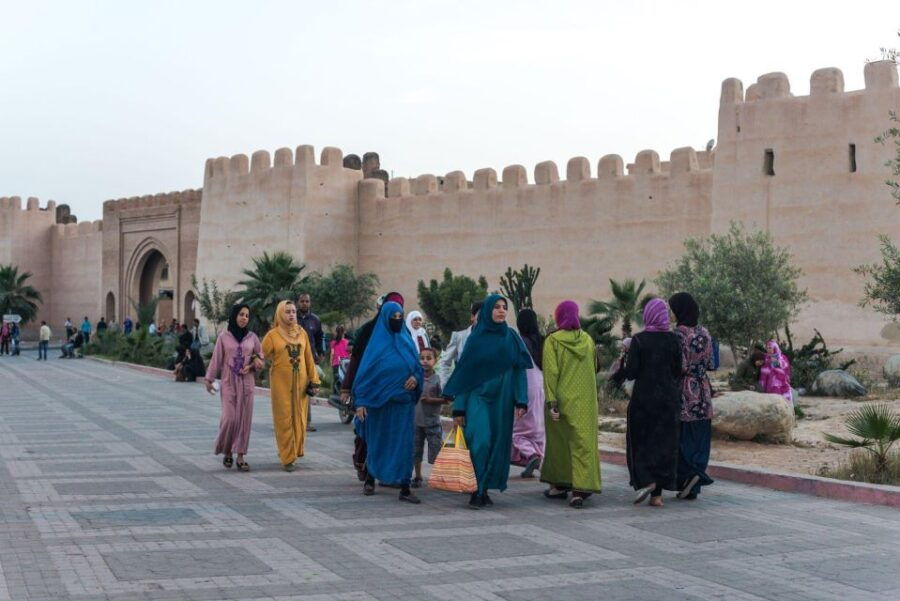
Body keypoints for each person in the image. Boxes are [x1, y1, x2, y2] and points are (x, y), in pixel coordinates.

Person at [445, 294, 532, 509]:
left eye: (504, 307)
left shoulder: (512, 338)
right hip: (478, 398)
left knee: (497, 444)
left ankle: (483, 488)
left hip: (503, 399)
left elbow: (519, 369)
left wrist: (521, 400)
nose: (502, 310)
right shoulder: (476, 339)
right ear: (487, 311)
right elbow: (465, 374)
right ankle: (476, 489)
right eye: (497, 307)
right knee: (481, 442)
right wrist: (459, 409)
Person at [352, 301, 423, 503]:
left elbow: (417, 367)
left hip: (403, 404)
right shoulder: (376, 345)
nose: (397, 321)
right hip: (379, 405)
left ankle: (405, 487)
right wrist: (361, 402)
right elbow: (364, 375)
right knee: (377, 442)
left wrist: (415, 378)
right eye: (393, 317)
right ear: (384, 318)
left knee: (404, 446)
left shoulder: (407, 342)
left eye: (400, 317)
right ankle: (370, 478)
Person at [540, 301, 602, 508]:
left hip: (562, 400)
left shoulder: (553, 341)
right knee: (583, 443)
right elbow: (595, 367)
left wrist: (552, 402)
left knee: (560, 444)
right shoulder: (587, 340)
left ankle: (559, 485)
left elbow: (551, 373)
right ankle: (580, 490)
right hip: (586, 402)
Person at [623, 298, 682, 507]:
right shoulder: (674, 340)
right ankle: (657, 496)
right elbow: (677, 370)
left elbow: (631, 373)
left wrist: (627, 355)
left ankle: (646, 480)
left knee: (641, 441)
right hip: (669, 400)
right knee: (664, 444)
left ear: (648, 315)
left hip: (644, 399)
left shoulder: (639, 340)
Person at [341, 291, 405, 481]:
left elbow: (410, 361)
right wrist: (347, 387)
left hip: (395, 392)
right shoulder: (368, 330)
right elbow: (356, 359)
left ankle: (386, 471)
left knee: (390, 433)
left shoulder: (403, 332)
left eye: (399, 311)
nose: (396, 317)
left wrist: (414, 379)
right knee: (366, 430)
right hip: (369, 388)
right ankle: (363, 465)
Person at [262, 300, 320, 471]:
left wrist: (314, 380)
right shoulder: (272, 335)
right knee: (284, 419)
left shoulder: (302, 333)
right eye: (287, 312)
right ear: (280, 314)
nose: (291, 315)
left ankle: (294, 450)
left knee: (300, 418)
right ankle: (287, 457)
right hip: (281, 385)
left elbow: (308, 358)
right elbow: (260, 355)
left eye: (293, 311)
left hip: (301, 385)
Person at [669, 292, 715, 501]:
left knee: (683, 437)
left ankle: (690, 475)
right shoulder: (705, 332)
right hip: (703, 389)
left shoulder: (679, 334)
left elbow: (679, 366)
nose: (670, 313)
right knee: (700, 436)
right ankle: (693, 486)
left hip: (685, 390)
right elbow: (711, 363)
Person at [206, 304, 263, 472]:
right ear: (234, 316)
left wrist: (252, 365)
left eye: (247, 315)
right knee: (230, 418)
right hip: (228, 382)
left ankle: (240, 456)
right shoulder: (224, 337)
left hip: (247, 383)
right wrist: (209, 379)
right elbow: (216, 359)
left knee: (244, 420)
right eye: (241, 314)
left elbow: (261, 358)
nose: (244, 318)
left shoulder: (252, 337)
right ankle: (227, 450)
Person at [511, 308, 545, 478]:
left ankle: (531, 455)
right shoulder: (542, 341)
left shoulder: (518, 342)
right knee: (537, 430)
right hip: (541, 388)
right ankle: (540, 461)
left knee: (517, 431)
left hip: (524, 389)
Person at [412, 347, 447, 488]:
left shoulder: (438, 380)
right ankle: (417, 476)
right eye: (422, 358)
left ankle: (439, 476)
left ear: (435, 360)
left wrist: (430, 400)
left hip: (432, 422)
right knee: (415, 450)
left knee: (436, 449)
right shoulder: (415, 378)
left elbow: (446, 399)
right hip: (416, 421)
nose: (425, 361)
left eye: (429, 358)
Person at [437, 301, 482, 386]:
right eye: (481, 316)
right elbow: (445, 362)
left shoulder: (494, 338)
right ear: (472, 317)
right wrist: (445, 384)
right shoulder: (459, 337)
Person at [297, 293, 324, 432]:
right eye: (302, 301)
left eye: (307, 301)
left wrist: (321, 352)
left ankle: (306, 422)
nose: (304, 304)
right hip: (293, 360)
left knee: (306, 391)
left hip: (310, 360)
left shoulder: (315, 320)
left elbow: (320, 337)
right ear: (298, 302)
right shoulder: (292, 318)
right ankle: (292, 421)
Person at [759, 340, 793, 404]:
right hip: (767, 382)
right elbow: (763, 370)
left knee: (780, 401)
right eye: (767, 348)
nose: (768, 350)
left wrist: (777, 362)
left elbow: (785, 369)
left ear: (775, 348)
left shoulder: (781, 357)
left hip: (779, 383)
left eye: (770, 348)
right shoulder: (766, 358)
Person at [329, 325, 351, 393]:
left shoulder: (333, 342)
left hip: (336, 363)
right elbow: (350, 354)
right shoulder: (348, 342)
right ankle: (344, 394)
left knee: (336, 380)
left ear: (336, 332)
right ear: (344, 332)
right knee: (345, 380)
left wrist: (331, 363)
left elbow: (332, 354)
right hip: (345, 364)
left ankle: (335, 394)